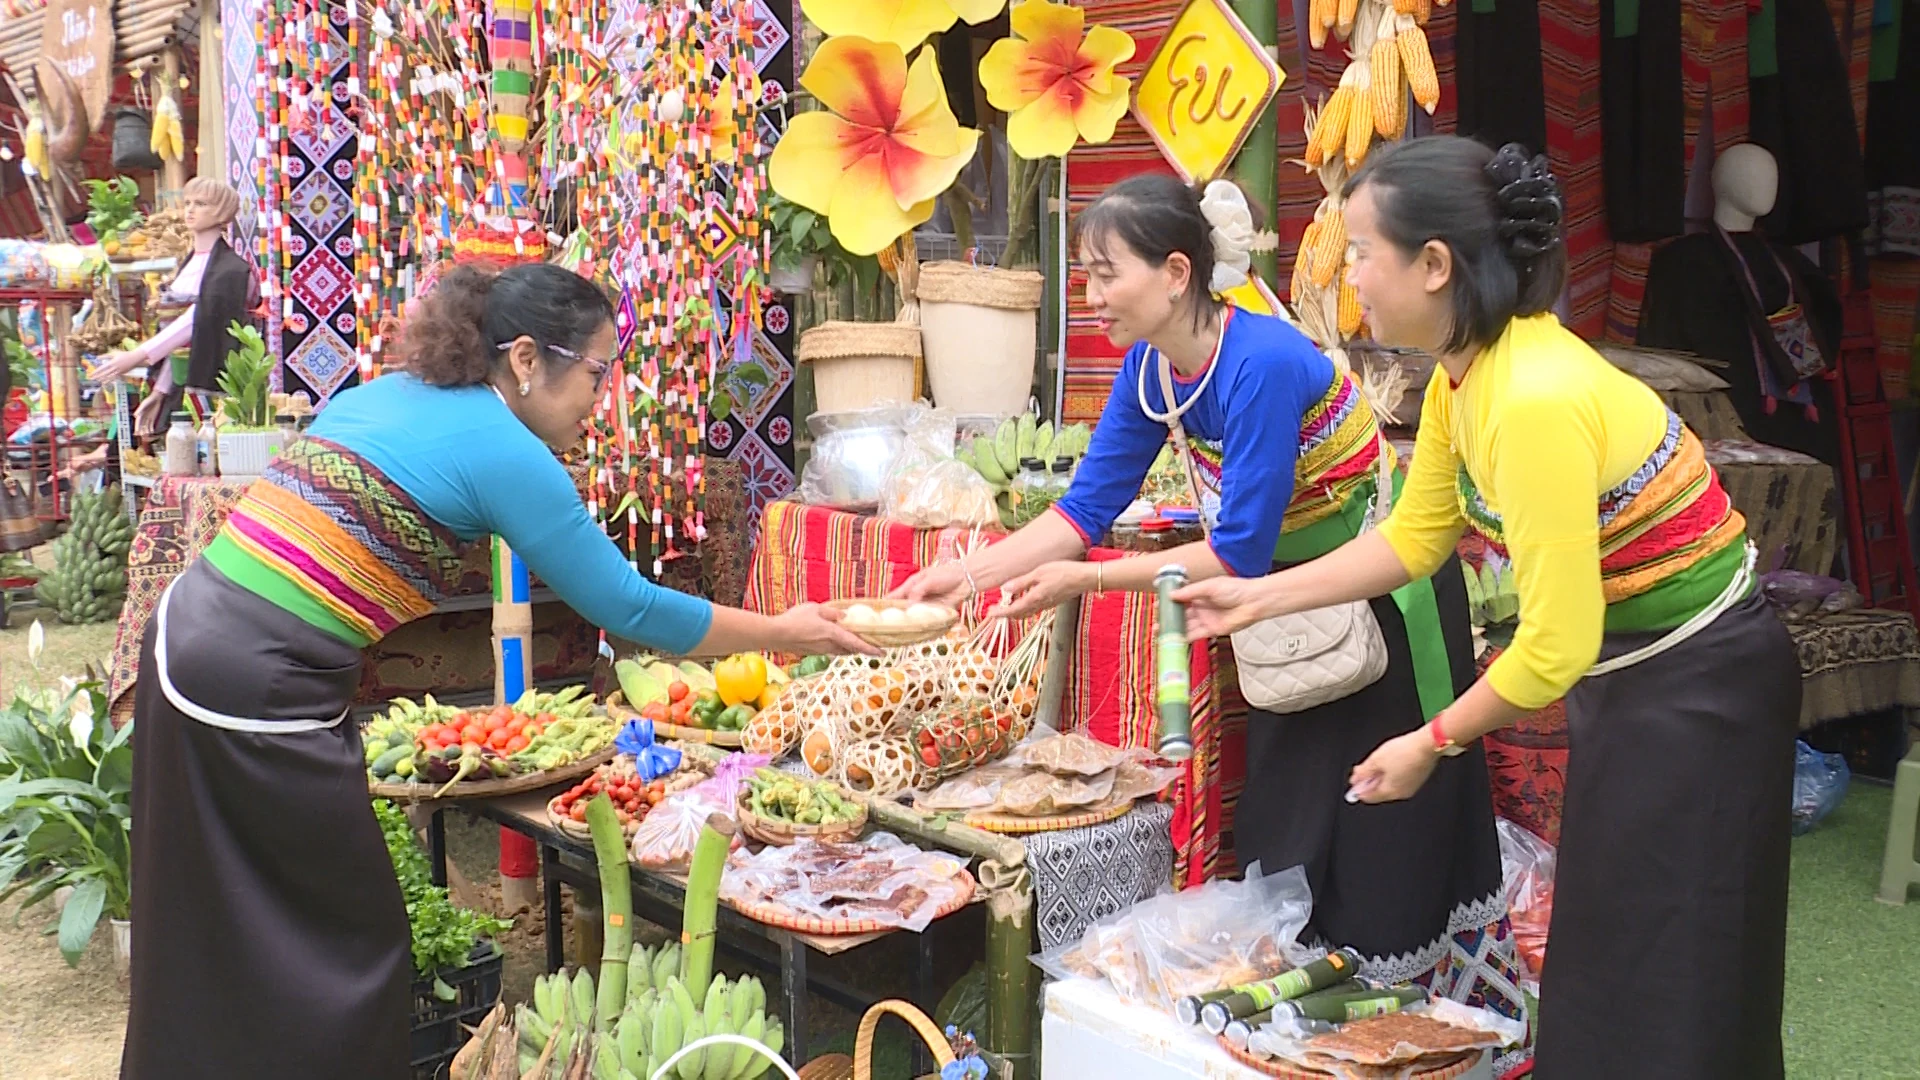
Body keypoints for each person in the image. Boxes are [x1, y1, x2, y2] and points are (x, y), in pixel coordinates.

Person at [120, 262, 875, 1080]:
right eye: (595, 372)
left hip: (190, 642)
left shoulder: (390, 392)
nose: (600, 399)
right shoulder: (509, 455)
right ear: (524, 358)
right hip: (255, 685)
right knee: (343, 939)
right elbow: (630, 608)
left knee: (214, 925)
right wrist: (789, 629)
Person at [1176, 137, 1798, 1080]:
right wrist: (1258, 594)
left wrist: (1431, 743)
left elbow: (1552, 646)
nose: (1349, 281)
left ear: (1434, 265)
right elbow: (1412, 540)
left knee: (1680, 963)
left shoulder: (1533, 397)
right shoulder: (1465, 377)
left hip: (1704, 687)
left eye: (1360, 255)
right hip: (1642, 681)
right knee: (1620, 952)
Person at [895, 174, 1525, 1026]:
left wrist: (1087, 579)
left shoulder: (1258, 363)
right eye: (1084, 274)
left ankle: (1410, 1029)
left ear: (1177, 272)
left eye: (1105, 273)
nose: (1090, 295)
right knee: (1291, 829)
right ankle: (1301, 1023)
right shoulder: (1153, 373)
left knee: (1388, 838)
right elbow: (1085, 512)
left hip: (1381, 602)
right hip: (1289, 612)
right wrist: (971, 574)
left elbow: (1238, 552)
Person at [90, 177, 258, 436]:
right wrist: (160, 391)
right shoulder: (188, 264)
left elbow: (196, 321)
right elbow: (182, 341)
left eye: (200, 204)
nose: (190, 210)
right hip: (179, 378)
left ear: (221, 211)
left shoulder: (231, 271)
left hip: (213, 380)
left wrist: (139, 355)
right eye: (188, 202)